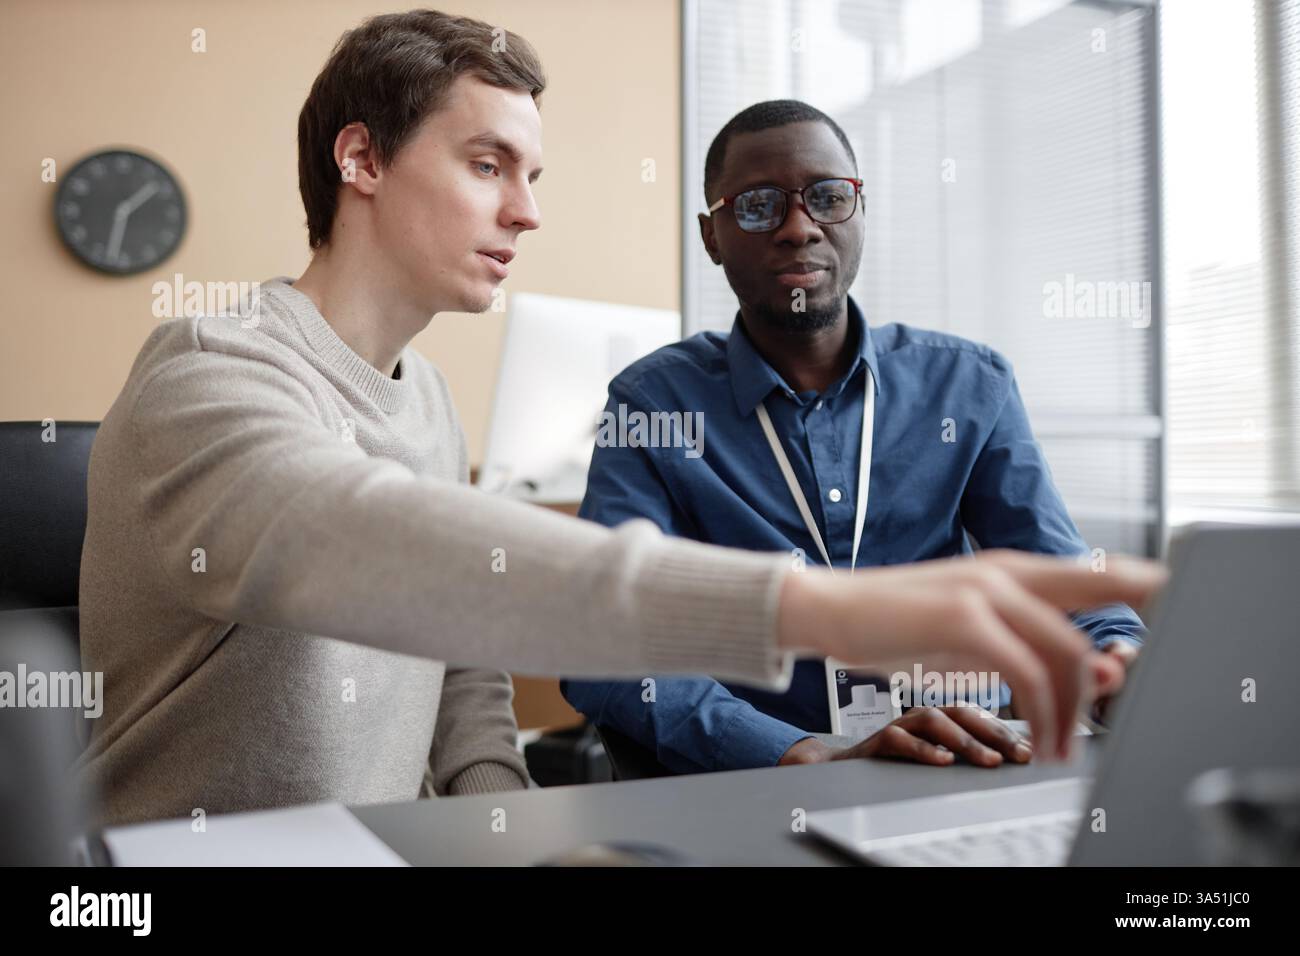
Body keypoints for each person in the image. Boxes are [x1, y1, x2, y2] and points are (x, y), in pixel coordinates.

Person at [75, 10, 1162, 828]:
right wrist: (829, 608)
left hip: (385, 846)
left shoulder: (428, 395)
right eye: (488, 163)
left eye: (533, 173)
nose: (529, 210)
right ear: (359, 160)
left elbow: (464, 659)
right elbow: (350, 539)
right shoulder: (209, 370)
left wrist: (497, 818)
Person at [563, 100, 1145, 775]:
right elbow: (601, 647)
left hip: (965, 764)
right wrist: (801, 752)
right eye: (756, 206)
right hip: (770, 787)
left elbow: (1064, 585)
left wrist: (1118, 662)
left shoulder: (968, 385)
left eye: (829, 197)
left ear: (860, 213)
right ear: (711, 236)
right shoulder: (655, 403)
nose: (797, 228)